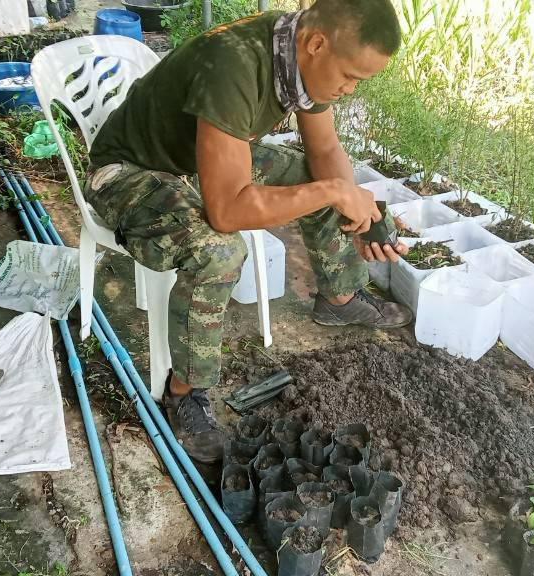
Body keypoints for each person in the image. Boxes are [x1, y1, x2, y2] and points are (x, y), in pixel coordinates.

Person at [86, 0, 411, 463]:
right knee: (218, 251)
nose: (351, 88)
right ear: (317, 43)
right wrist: (334, 191)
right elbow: (226, 212)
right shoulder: (234, 64)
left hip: (193, 162)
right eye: (351, 75)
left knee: (321, 182)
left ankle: (339, 298)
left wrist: (361, 214)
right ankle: (184, 391)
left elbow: (324, 150)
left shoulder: (302, 58)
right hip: (131, 172)